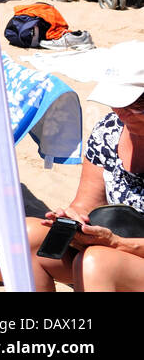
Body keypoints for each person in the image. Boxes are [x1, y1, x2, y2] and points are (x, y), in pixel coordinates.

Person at [26, 67, 144, 292]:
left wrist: (116, 243)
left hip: (117, 251)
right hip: (114, 244)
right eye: (116, 103)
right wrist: (73, 220)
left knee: (95, 263)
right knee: (28, 237)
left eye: (131, 106)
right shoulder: (109, 130)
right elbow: (86, 204)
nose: (120, 113)